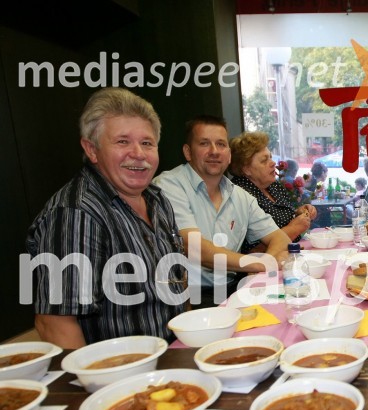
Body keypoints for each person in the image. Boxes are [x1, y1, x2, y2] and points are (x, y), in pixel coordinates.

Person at [26, 88, 185, 348]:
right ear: (92, 150)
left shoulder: (157, 199)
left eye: (147, 143)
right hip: (119, 375)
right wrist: (92, 387)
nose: (139, 153)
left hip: (174, 352)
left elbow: (176, 284)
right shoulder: (76, 213)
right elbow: (55, 323)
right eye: (122, 141)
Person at [155, 116, 291, 304]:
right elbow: (194, 248)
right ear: (188, 152)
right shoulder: (169, 185)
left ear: (228, 154)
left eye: (221, 144)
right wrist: (257, 263)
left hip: (230, 290)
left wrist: (265, 262)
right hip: (186, 298)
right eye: (204, 144)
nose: (214, 151)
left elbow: (281, 239)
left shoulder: (240, 196)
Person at [228, 131, 317, 244]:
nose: (273, 163)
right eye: (264, 160)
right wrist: (294, 229)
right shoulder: (240, 194)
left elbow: (284, 217)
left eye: (270, 157)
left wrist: (299, 213)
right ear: (246, 169)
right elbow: (251, 250)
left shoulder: (273, 185)